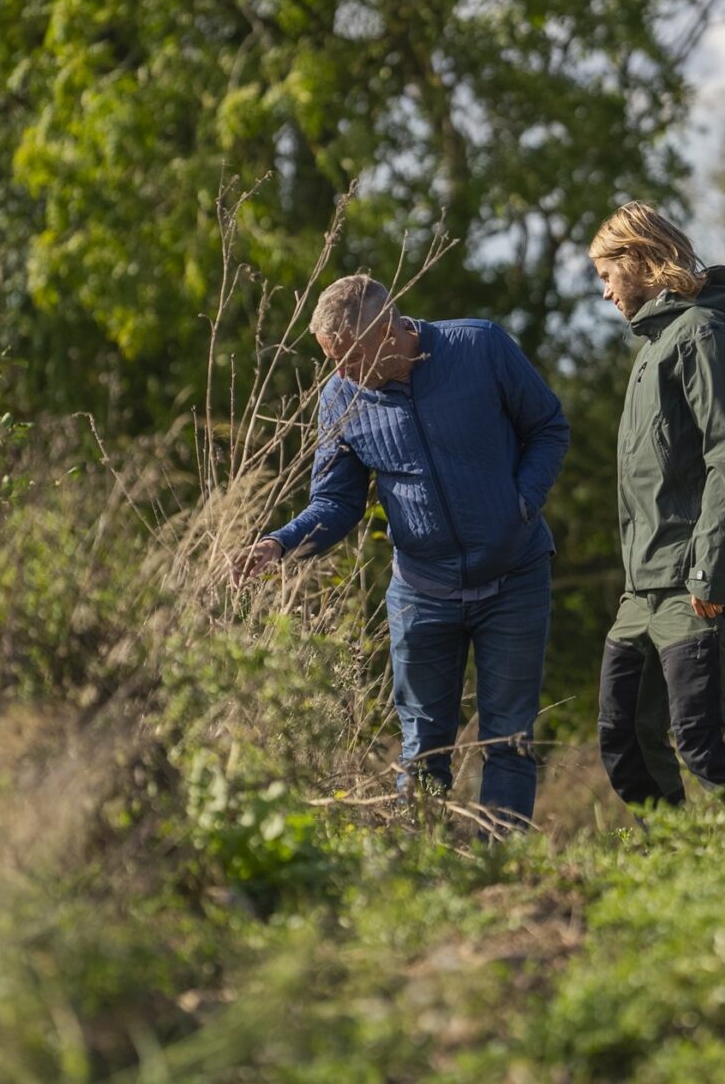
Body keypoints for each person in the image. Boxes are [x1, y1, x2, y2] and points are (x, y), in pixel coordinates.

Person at [234, 274, 569, 829]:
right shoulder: (341, 397)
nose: (341, 373)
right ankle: (423, 868)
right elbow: (336, 501)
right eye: (331, 360)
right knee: (422, 748)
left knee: (507, 736)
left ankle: (502, 866)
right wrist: (279, 543)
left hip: (514, 578)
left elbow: (548, 426)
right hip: (422, 593)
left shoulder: (480, 346)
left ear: (391, 332)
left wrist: (523, 502)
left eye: (351, 357)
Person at [589, 202, 725, 811]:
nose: (604, 290)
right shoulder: (653, 346)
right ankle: (673, 860)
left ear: (639, 260)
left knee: (704, 743)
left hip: (693, 583)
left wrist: (710, 572)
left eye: (605, 273)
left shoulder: (703, 333)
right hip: (641, 588)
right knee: (624, 739)